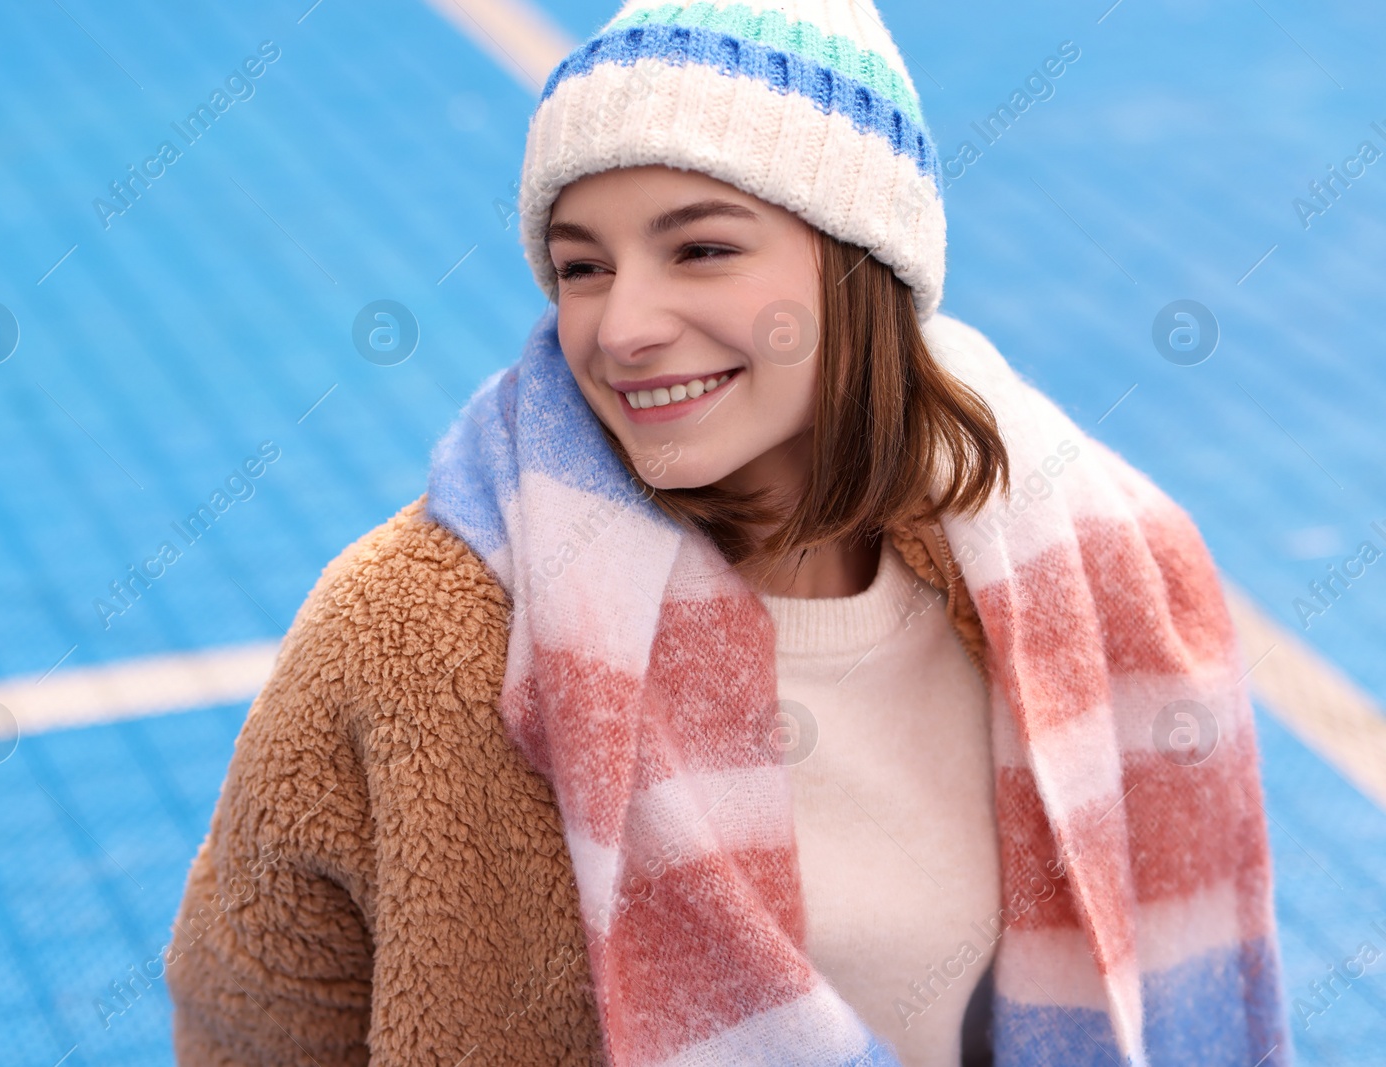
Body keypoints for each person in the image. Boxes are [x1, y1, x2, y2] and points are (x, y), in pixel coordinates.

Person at [165, 3, 1292, 1065]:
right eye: (581, 266)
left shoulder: (1095, 557)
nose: (623, 326)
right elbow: (256, 1000)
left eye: (699, 248)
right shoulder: (419, 632)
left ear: (858, 262)